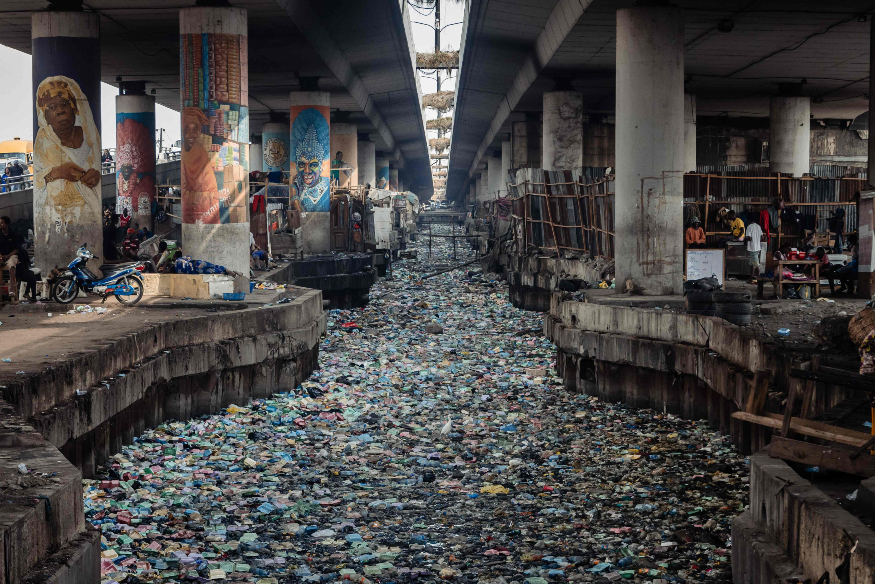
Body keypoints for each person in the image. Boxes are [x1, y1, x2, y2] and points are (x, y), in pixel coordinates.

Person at [0, 216, 23, 303]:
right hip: (2, 256)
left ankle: (12, 289)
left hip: (11, 256)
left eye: (2, 223)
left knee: (12, 264)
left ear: (7, 224)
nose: (0, 225)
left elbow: (16, 249)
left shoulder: (13, 235)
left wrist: (8, 255)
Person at [173, 251, 240, 278]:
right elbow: (189, 257)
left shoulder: (175, 266)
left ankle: (229, 273)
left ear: (175, 257)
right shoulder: (181, 259)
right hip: (198, 262)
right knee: (214, 265)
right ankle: (229, 271)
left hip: (197, 270)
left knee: (214, 270)